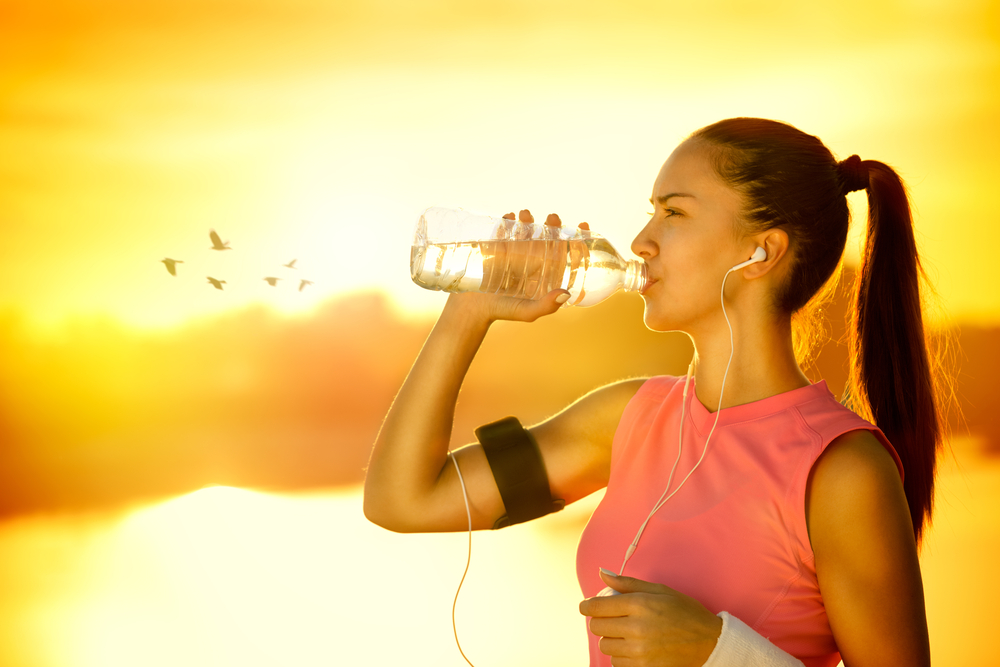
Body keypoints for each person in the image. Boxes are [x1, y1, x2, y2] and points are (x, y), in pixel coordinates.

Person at [363, 118, 944, 666]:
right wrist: (468, 311)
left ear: (761, 251)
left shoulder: (841, 469)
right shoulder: (629, 419)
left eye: (673, 213)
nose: (640, 241)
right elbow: (402, 500)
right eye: (650, 212)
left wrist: (717, 652)